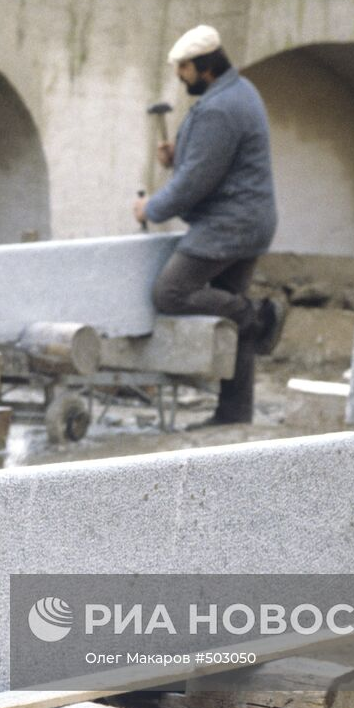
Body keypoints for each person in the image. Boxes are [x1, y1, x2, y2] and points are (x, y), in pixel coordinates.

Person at [132, 24, 283, 425]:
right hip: (248, 221)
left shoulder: (218, 108)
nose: (181, 78)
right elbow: (211, 161)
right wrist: (178, 154)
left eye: (184, 69)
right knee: (230, 320)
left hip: (228, 225)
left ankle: (257, 316)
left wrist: (151, 209)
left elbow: (197, 180)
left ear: (204, 67)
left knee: (171, 292)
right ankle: (234, 412)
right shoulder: (239, 91)